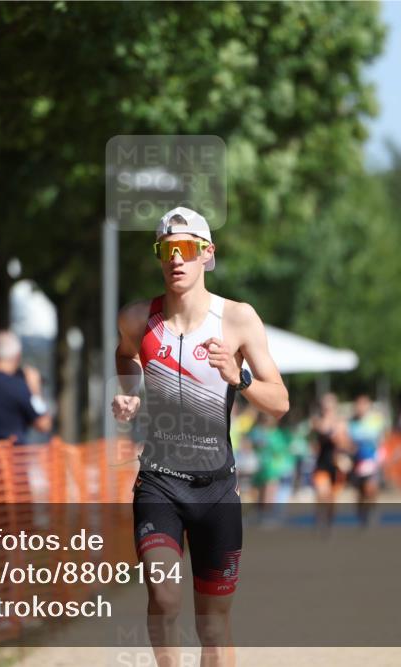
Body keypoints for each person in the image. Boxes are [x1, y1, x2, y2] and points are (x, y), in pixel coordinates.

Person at [112, 206, 288, 667]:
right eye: (166, 250)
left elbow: (280, 402)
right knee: (165, 597)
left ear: (207, 255)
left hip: (216, 489)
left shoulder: (237, 320)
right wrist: (130, 395)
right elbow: (126, 355)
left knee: (214, 624)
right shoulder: (136, 318)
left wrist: (239, 377)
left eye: (187, 249)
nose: (176, 259)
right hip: (159, 483)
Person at [310, 393, 348, 530]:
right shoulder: (317, 421)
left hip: (335, 464)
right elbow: (315, 436)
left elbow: (344, 443)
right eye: (325, 406)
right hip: (321, 463)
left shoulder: (341, 423)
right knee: (322, 493)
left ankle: (329, 523)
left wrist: (338, 437)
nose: (327, 409)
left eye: (330, 406)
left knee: (332, 498)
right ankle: (319, 518)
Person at [348, 394, 384, 526]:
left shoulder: (375, 420)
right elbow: (348, 442)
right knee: (360, 492)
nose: (361, 407)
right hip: (357, 461)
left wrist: (381, 455)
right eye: (359, 404)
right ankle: (361, 513)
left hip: (371, 460)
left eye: (364, 404)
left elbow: (381, 439)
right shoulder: (352, 423)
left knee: (371, 488)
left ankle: (372, 510)